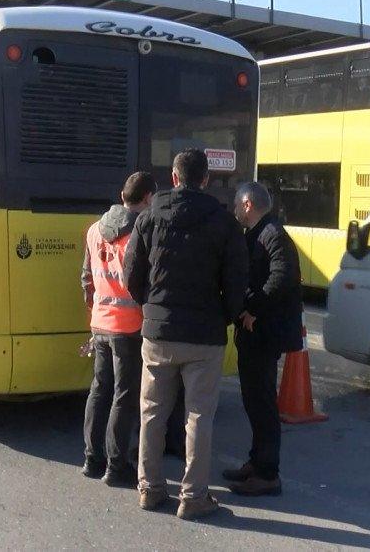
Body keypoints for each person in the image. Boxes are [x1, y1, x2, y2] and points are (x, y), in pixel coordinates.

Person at [123, 149, 249, 520]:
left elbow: (132, 274)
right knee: (198, 416)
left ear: (174, 178)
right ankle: (193, 497)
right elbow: (237, 280)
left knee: (152, 413)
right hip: (205, 335)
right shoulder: (224, 222)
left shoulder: (148, 217)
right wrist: (224, 315)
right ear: (205, 179)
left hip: (159, 332)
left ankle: (150, 487)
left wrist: (152, 307)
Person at [224, 182, 304, 497]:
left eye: (235, 204)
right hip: (254, 334)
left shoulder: (273, 234)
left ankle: (268, 474)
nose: (233, 210)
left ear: (247, 205)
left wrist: (253, 308)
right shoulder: (257, 233)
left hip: (265, 334)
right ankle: (256, 463)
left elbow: (282, 278)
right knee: (253, 401)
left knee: (262, 405)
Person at [80, 171, 158, 488]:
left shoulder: (94, 230)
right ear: (148, 198)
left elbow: (87, 279)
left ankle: (91, 459)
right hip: (129, 326)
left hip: (100, 321)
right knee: (124, 397)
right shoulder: (140, 231)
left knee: (99, 390)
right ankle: (116, 465)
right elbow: (144, 283)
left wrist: (97, 312)